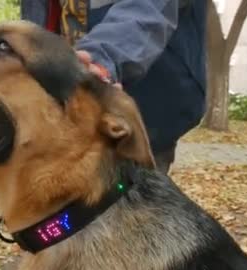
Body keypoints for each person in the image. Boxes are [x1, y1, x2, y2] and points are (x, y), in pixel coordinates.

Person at [21, 0, 207, 173]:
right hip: (57, 111)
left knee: (127, 196)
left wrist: (99, 62)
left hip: (145, 95)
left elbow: (148, 9)